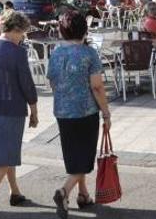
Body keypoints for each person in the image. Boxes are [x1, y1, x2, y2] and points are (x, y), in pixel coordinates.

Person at [0, 10, 39, 218]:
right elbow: (27, 84)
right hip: (11, 108)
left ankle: (15, 192)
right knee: (4, 156)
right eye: (22, 33)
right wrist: (34, 110)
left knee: (6, 152)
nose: (23, 37)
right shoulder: (17, 52)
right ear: (16, 29)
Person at [47, 12, 112, 218]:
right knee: (83, 158)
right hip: (85, 111)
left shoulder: (55, 53)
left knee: (74, 155)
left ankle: (83, 195)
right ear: (84, 29)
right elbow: (97, 87)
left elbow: (53, 83)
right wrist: (106, 112)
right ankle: (63, 191)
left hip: (63, 111)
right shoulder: (88, 53)